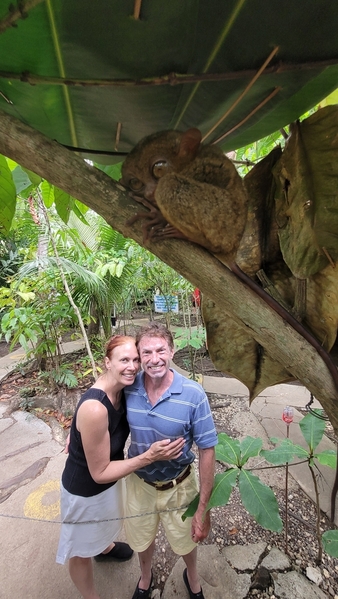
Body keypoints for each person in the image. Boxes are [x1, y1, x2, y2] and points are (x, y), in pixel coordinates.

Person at [56, 334, 184, 599]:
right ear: (107, 362)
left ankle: (104, 548)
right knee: (80, 550)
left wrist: (75, 429)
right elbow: (99, 473)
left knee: (105, 523)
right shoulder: (95, 408)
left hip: (111, 479)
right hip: (85, 488)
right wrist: (149, 457)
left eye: (135, 359)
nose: (133, 366)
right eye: (124, 359)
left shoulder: (123, 386)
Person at [124, 323, 217, 599]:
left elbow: (207, 449)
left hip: (180, 483)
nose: (155, 359)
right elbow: (101, 401)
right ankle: (145, 577)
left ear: (172, 350)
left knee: (186, 538)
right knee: (142, 537)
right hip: (140, 482)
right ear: (139, 357)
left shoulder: (193, 394)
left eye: (161, 350)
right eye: (147, 353)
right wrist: (78, 434)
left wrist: (202, 508)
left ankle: (192, 576)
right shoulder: (129, 388)